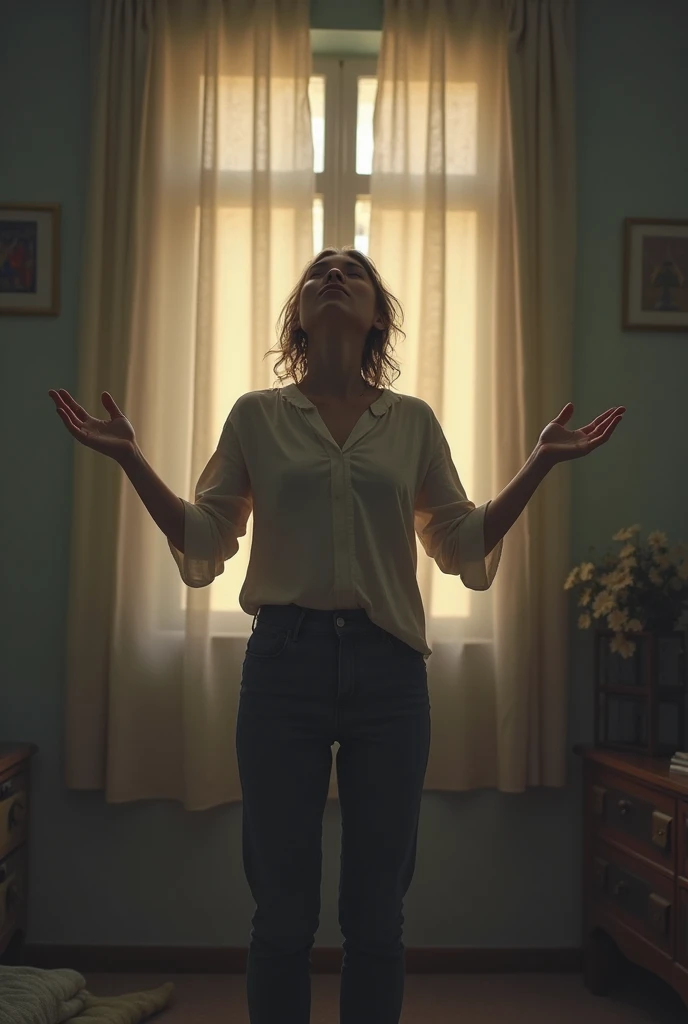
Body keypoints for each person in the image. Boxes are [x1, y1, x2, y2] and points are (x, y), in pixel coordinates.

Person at [49, 246, 624, 1024]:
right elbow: (205, 536)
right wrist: (130, 459)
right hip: (283, 667)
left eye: (351, 270)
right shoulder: (257, 414)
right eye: (320, 269)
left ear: (375, 314)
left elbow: (460, 542)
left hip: (390, 674)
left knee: (377, 915)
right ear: (300, 314)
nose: (332, 275)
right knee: (281, 914)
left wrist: (539, 464)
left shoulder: (412, 421)